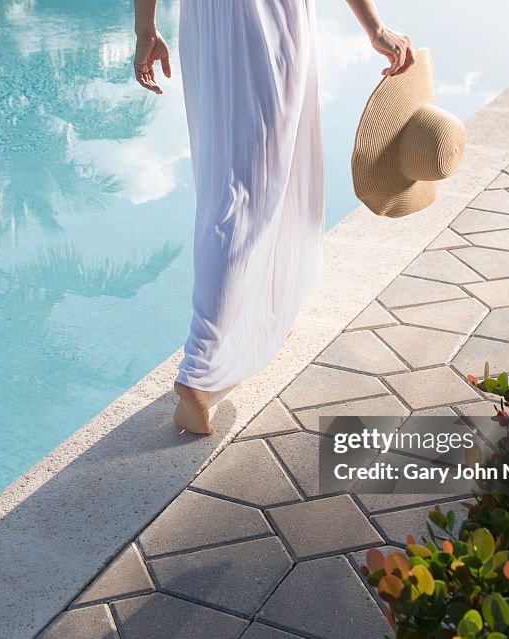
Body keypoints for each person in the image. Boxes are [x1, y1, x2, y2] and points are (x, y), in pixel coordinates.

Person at [132, 0, 414, 435]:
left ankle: (259, 314)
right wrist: (374, 27)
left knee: (230, 178)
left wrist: (145, 29)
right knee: (247, 185)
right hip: (267, 18)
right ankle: (198, 370)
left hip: (206, 18)